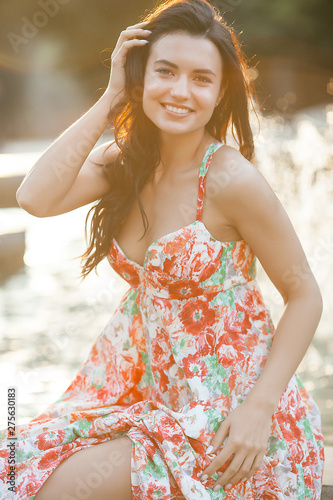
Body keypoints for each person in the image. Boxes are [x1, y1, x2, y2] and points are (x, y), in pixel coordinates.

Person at [0, 0, 325, 498]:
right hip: (147, 399)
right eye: (165, 72)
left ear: (220, 94)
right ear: (140, 78)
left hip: (231, 420)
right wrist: (111, 97)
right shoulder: (126, 164)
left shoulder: (231, 179)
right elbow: (34, 198)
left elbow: (305, 296)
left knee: (51, 489)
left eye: (200, 78)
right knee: (14, 467)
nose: (179, 91)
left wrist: (258, 410)